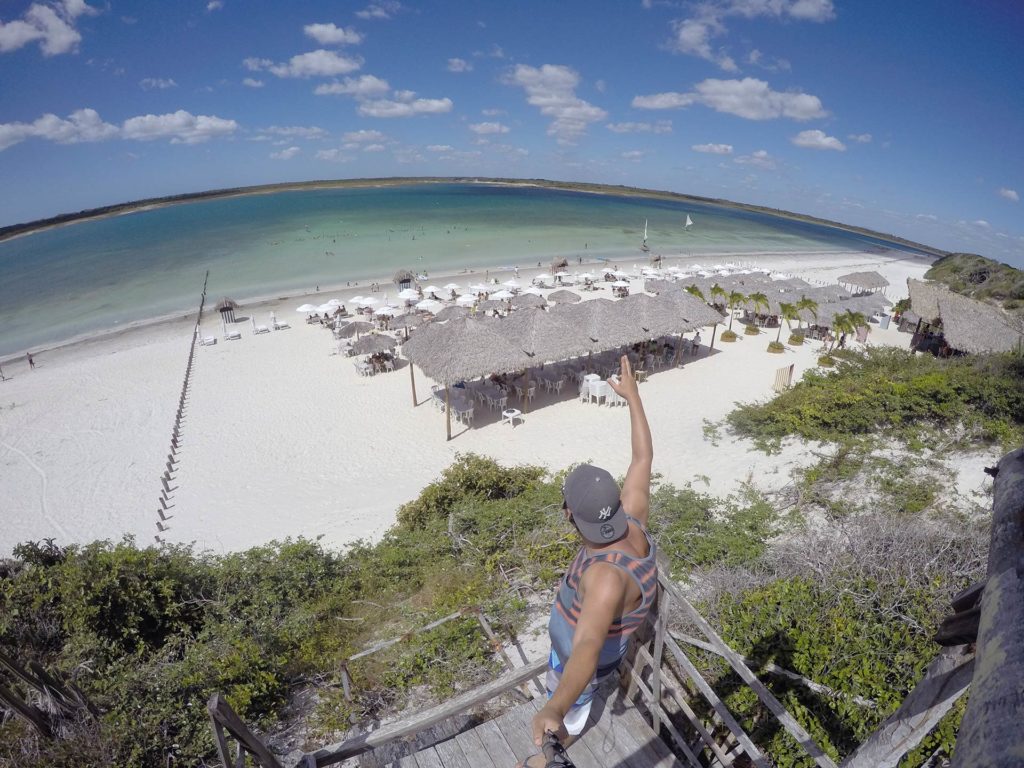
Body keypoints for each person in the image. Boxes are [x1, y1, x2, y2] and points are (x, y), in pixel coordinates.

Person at [518, 355, 656, 767]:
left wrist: (557, 708)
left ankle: (546, 758)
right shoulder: (632, 515)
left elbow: (588, 647)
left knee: (570, 713)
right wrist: (633, 398)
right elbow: (642, 459)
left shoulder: (605, 579)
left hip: (581, 662)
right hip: (573, 647)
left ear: (568, 515)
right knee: (563, 686)